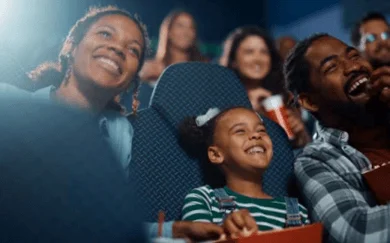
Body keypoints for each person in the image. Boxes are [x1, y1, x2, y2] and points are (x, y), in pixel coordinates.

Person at [0, 6, 222, 242]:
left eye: (133, 50)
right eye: (106, 34)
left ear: (130, 81)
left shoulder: (120, 133)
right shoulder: (7, 104)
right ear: (70, 46)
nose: (118, 48)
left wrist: (174, 230)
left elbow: (100, 224)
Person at [285, 33, 390, 243]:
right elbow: (357, 232)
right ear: (310, 101)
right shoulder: (315, 162)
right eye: (332, 67)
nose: (353, 67)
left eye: (353, 56)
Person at [179, 107, 309, 239]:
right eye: (240, 131)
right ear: (216, 154)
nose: (256, 135)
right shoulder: (203, 199)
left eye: (261, 130)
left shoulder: (297, 211)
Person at [220, 26, 311, 148]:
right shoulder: (222, 100)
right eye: (249, 52)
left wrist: (299, 133)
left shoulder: (281, 96)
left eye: (264, 52)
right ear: (234, 61)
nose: (258, 59)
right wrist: (250, 110)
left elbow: (305, 148)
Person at [134, 10, 207, 110]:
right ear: (169, 31)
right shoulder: (150, 68)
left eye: (191, 27)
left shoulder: (203, 69)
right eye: (180, 26)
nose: (186, 32)